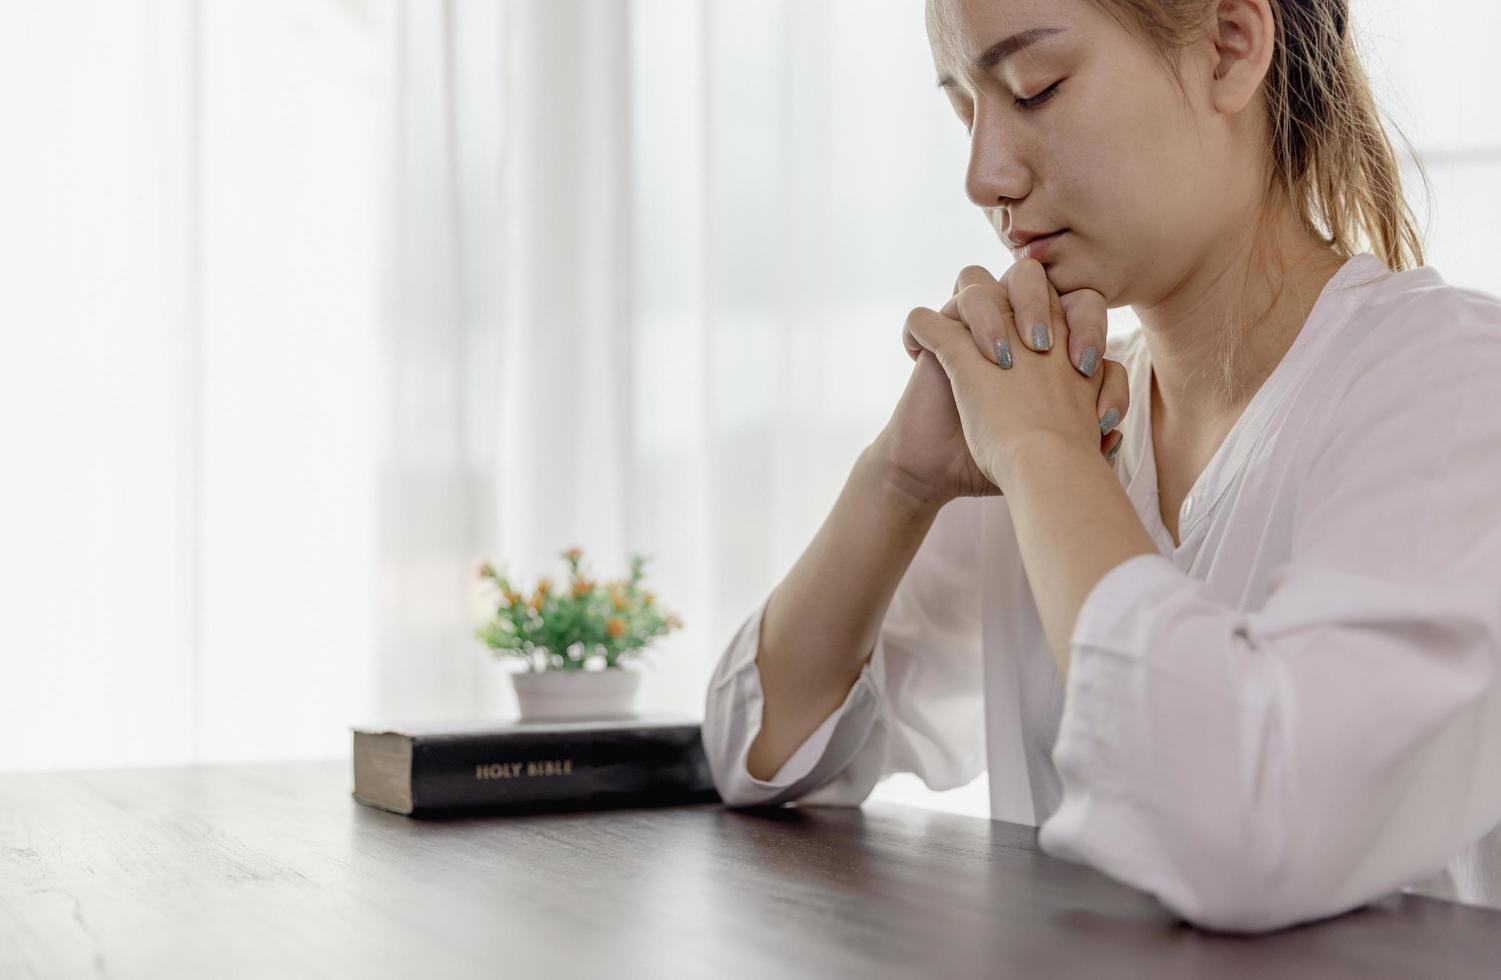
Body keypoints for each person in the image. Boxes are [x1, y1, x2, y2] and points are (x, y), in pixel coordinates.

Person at [700, 0, 1501, 935]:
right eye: (965, 111)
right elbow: (758, 747)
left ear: (1230, 49)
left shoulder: (1453, 383)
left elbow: (1245, 829)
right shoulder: (1058, 399)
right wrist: (898, 482)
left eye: (1035, 91)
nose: (983, 175)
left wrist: (1041, 454)